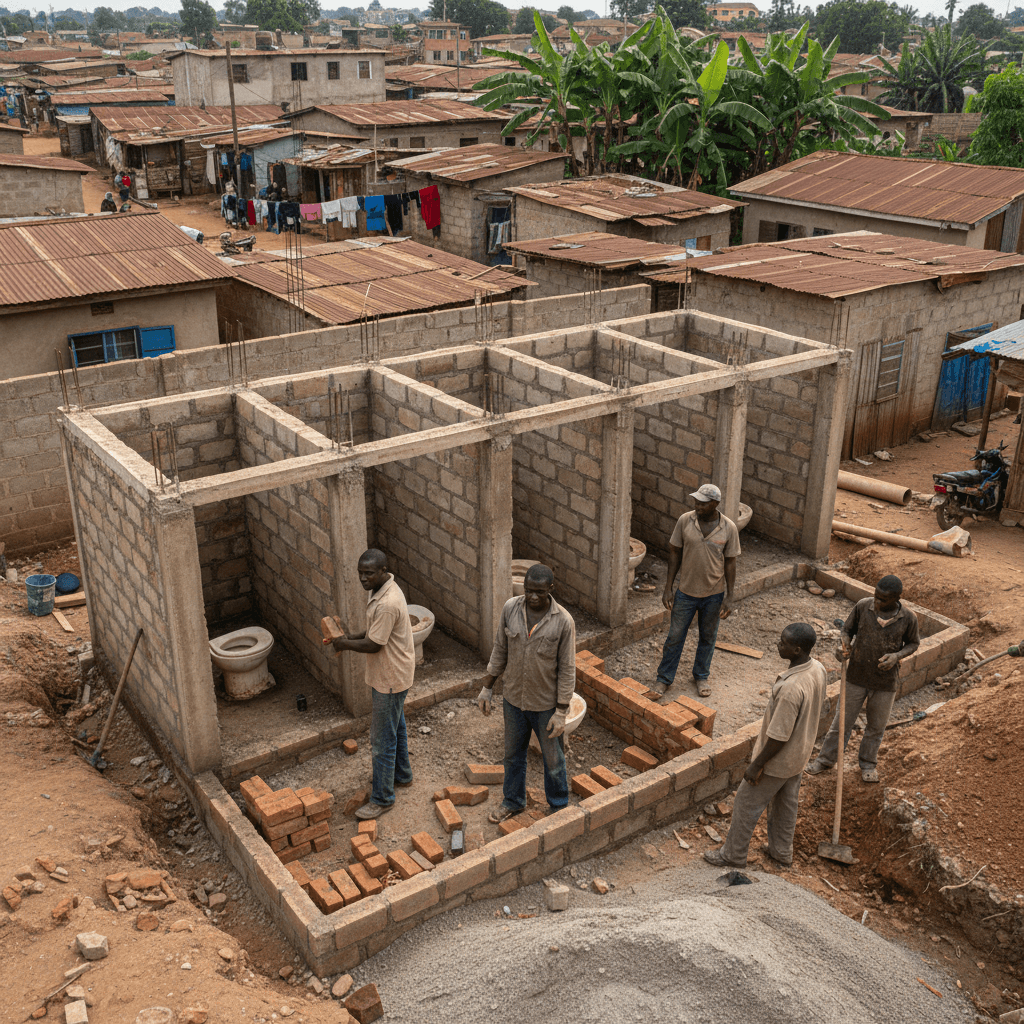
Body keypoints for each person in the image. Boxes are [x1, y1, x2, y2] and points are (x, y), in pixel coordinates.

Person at [704, 622, 826, 869]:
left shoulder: (791, 688)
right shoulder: (818, 668)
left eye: (784, 643)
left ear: (797, 650)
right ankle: (781, 852)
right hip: (799, 755)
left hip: (777, 761)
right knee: (785, 805)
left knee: (746, 803)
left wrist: (757, 765)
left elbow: (779, 736)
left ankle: (733, 855)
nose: (778, 645)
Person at [476, 563, 576, 822]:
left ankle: (559, 807)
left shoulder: (563, 622)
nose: (532, 596)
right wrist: (487, 688)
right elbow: (500, 649)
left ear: (550, 589)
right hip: (513, 700)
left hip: (545, 706)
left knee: (553, 760)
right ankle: (513, 801)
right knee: (512, 756)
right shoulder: (510, 608)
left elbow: (567, 669)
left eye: (539, 592)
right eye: (528, 590)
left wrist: (561, 712)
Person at [806, 574, 920, 784]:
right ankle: (825, 760)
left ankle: (868, 764)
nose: (877, 602)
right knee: (841, 724)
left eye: (883, 599)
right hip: (856, 676)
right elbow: (847, 630)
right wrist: (844, 646)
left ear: (896, 599)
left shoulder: (908, 618)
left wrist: (896, 656)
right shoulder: (863, 606)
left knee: (876, 727)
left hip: (885, 682)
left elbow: (913, 644)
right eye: (876, 596)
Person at [329, 549, 416, 820]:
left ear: (383, 571)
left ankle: (382, 798)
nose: (363, 578)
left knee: (381, 741)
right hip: (392, 673)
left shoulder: (388, 602)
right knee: (395, 726)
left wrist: (344, 644)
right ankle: (402, 775)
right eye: (360, 573)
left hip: (390, 677)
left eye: (368, 573)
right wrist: (349, 637)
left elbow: (374, 644)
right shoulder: (380, 589)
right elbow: (374, 630)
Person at [651, 482, 740, 700]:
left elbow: (730, 562)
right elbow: (674, 553)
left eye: (703, 503)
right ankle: (664, 679)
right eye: (696, 502)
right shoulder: (685, 520)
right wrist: (668, 588)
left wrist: (730, 596)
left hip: (714, 594)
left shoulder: (728, 528)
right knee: (675, 636)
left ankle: (701, 676)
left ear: (715, 504)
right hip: (686, 592)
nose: (698, 506)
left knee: (708, 637)